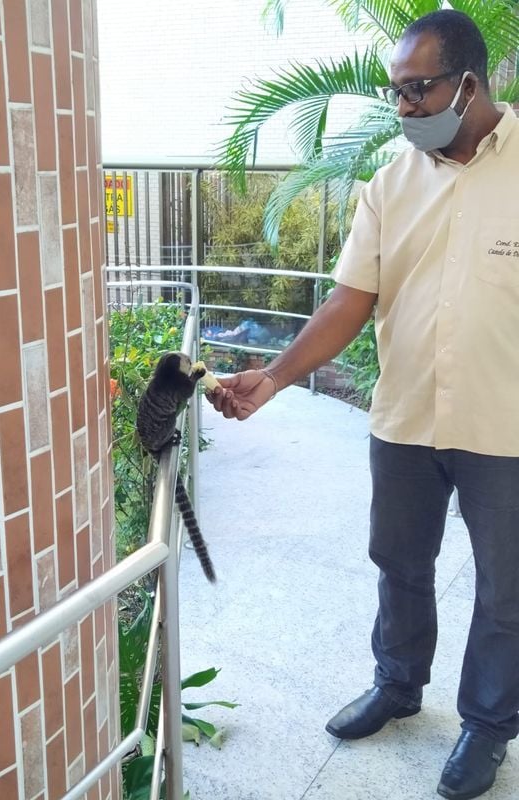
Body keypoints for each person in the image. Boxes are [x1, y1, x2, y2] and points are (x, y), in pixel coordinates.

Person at [207, 10, 519, 800]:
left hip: (506, 425)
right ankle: (398, 684)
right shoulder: (390, 184)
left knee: (506, 589)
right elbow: (349, 301)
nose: (404, 108)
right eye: (396, 94)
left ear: (470, 83)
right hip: (407, 418)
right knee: (400, 565)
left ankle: (487, 728)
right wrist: (273, 378)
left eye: (418, 90)